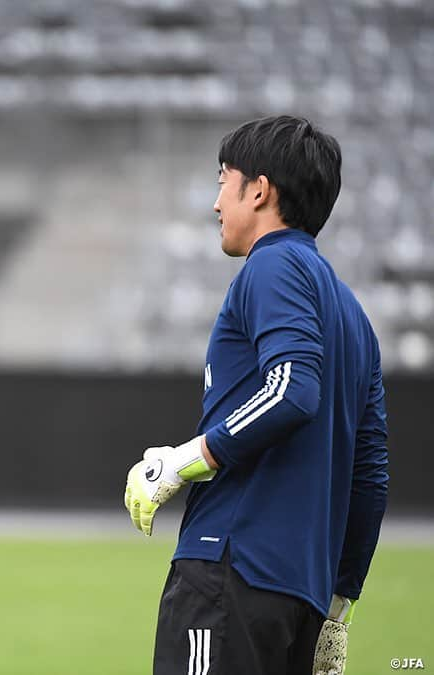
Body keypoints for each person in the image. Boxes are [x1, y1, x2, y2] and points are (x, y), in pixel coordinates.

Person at [123, 116, 388, 675]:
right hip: (304, 598)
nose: (216, 202)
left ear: (260, 190)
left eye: (223, 179)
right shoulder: (355, 316)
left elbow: (292, 390)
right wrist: (338, 607)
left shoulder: (272, 264)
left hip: (230, 569)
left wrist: (182, 462)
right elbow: (370, 475)